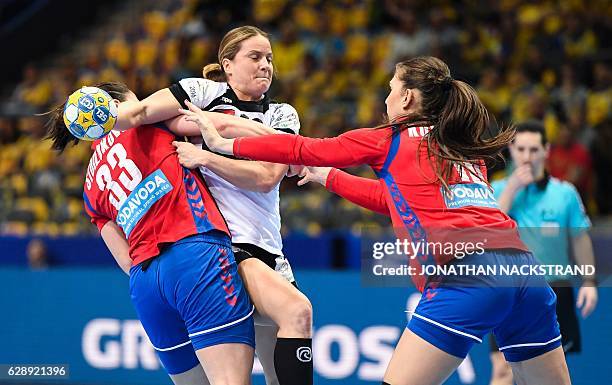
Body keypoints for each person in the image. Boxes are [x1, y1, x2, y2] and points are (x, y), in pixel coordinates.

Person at [181, 56, 575, 385]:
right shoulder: (459, 145)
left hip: (467, 275)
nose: (386, 97)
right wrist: (328, 179)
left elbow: (303, 147)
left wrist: (225, 144)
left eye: (390, 88)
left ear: (406, 97)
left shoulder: (389, 138)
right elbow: (395, 201)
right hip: (525, 272)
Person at [116, 26, 313, 385]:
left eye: (269, 58)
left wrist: (206, 155)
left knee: (278, 372)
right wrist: (107, 118)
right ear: (228, 64)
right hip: (223, 247)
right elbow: (144, 112)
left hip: (269, 249)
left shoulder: (283, 115)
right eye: (255, 57)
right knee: (298, 312)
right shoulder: (201, 92)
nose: (266, 65)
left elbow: (267, 176)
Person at [45, 82, 256, 385]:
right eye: (136, 100)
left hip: (146, 286)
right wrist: (284, 139)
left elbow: (125, 260)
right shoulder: (148, 121)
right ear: (119, 106)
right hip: (194, 254)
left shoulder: (90, 186)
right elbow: (218, 124)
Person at [487, 121, 597, 385]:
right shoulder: (497, 189)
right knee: (503, 371)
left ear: (546, 150)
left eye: (534, 149)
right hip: (508, 291)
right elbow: (486, 234)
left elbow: (580, 239)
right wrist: (512, 189)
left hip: (555, 289)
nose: (527, 156)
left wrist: (590, 281)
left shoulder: (565, 194)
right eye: (521, 149)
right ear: (511, 149)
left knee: (550, 375)